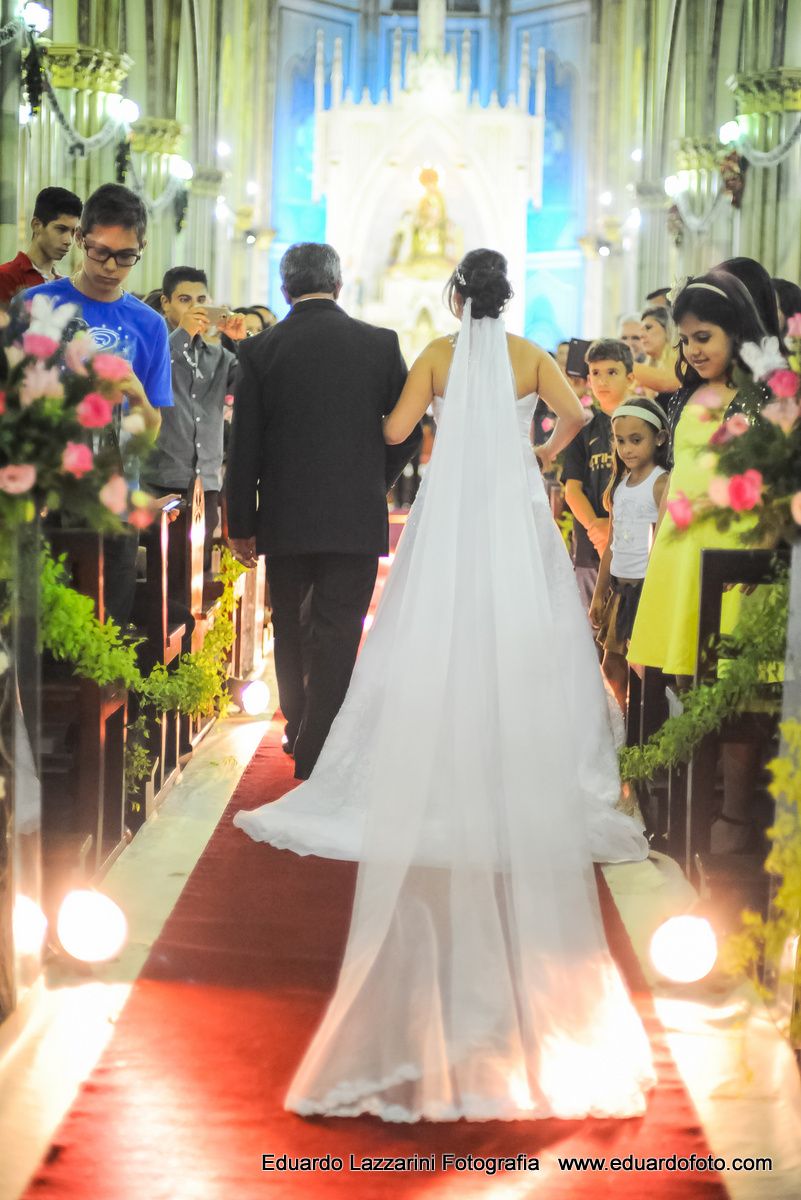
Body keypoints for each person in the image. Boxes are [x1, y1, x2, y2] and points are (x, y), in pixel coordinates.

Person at [234, 248, 653, 1122]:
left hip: (451, 506)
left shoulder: (435, 354)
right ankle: (511, 745)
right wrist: (534, 450)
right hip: (511, 505)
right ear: (507, 295)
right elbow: (578, 415)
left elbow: (392, 433)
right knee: (521, 620)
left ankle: (435, 730)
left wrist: (419, 428)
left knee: (435, 618)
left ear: (456, 296)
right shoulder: (528, 356)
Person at [226, 241, 422, 780]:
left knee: (288, 627)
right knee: (339, 631)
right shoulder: (379, 343)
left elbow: (244, 445)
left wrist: (240, 522)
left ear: (285, 289)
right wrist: (374, 479)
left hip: (283, 517)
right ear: (339, 285)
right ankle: (319, 744)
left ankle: (298, 725)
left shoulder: (260, 350)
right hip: (354, 517)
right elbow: (410, 431)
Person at [20, 183, 173, 625]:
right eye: (99, 251)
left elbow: (151, 430)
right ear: (80, 238)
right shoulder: (36, 305)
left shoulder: (150, 325)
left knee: (107, 634)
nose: (109, 266)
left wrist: (137, 394)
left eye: (125, 256)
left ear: (142, 248)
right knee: (41, 636)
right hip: (44, 500)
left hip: (114, 507)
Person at [142, 266, 246, 572]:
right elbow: (148, 373)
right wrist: (182, 334)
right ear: (166, 303)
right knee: (163, 571)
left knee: (195, 573)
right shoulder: (153, 346)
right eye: (184, 300)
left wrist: (240, 342)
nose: (195, 308)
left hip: (207, 485)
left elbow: (252, 386)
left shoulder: (219, 356)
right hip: (161, 482)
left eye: (201, 300)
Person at [590, 398, 670, 713]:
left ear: (659, 438)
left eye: (636, 440)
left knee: (644, 665)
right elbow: (611, 543)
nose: (627, 449)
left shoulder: (661, 482)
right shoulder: (620, 485)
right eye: (621, 441)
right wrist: (599, 592)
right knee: (611, 665)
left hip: (645, 589)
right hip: (620, 590)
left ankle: (642, 720)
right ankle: (625, 717)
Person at [561, 337, 634, 618]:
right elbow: (572, 490)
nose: (602, 380)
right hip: (590, 545)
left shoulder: (645, 425)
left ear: (630, 377)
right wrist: (596, 528)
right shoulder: (583, 429)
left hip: (632, 541)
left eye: (611, 372)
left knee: (628, 623)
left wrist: (612, 528)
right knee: (591, 621)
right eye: (595, 373)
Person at [0, 186, 82, 305]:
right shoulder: (5, 277)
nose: (69, 240)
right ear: (36, 225)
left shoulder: (64, 284)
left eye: (73, 232)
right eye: (61, 229)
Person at [631, 305, 679, 396]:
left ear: (668, 330)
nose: (641, 335)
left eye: (648, 327)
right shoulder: (644, 370)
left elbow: (665, 382)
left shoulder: (685, 364)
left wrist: (623, 362)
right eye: (641, 330)